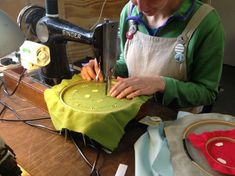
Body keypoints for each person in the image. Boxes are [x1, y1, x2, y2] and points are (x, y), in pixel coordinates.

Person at [81, 0, 224, 113]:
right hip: (136, 112)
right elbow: (126, 63)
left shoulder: (205, 22)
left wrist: (161, 84)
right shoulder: (130, 11)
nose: (141, 6)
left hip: (177, 122)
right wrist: (106, 68)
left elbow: (207, 92)